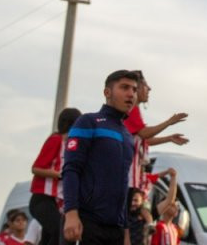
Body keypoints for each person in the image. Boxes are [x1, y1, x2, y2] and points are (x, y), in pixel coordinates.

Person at [62, 70, 139, 245]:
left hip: (116, 230)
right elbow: (71, 170)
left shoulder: (127, 135)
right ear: (107, 92)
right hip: (85, 224)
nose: (131, 94)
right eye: (124, 87)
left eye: (134, 90)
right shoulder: (88, 121)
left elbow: (124, 185)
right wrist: (71, 213)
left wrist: (125, 232)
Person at [124, 72, 188, 198]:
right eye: (146, 85)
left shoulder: (134, 110)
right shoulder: (132, 110)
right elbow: (143, 133)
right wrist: (169, 122)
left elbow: (143, 139)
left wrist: (169, 138)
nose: (149, 89)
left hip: (132, 179)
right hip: (128, 178)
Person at [29, 107, 80, 245]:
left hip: (56, 201)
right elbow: (36, 168)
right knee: (60, 230)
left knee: (49, 236)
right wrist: (59, 175)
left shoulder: (70, 145)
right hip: (43, 198)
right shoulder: (55, 140)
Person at [151, 169, 181, 245]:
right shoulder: (159, 226)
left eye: (177, 206)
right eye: (173, 206)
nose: (176, 208)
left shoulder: (175, 228)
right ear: (166, 207)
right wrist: (170, 174)